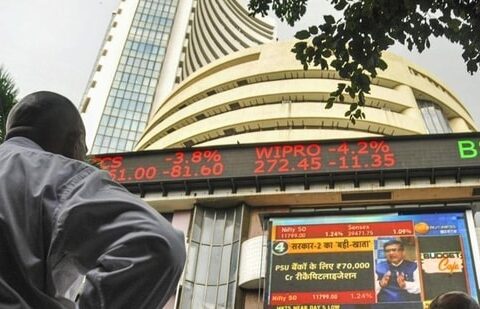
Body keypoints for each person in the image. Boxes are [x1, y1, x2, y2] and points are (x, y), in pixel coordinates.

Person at [0, 91, 186, 308]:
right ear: (73, 140)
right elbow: (158, 243)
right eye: (84, 146)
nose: (85, 155)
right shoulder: (60, 177)